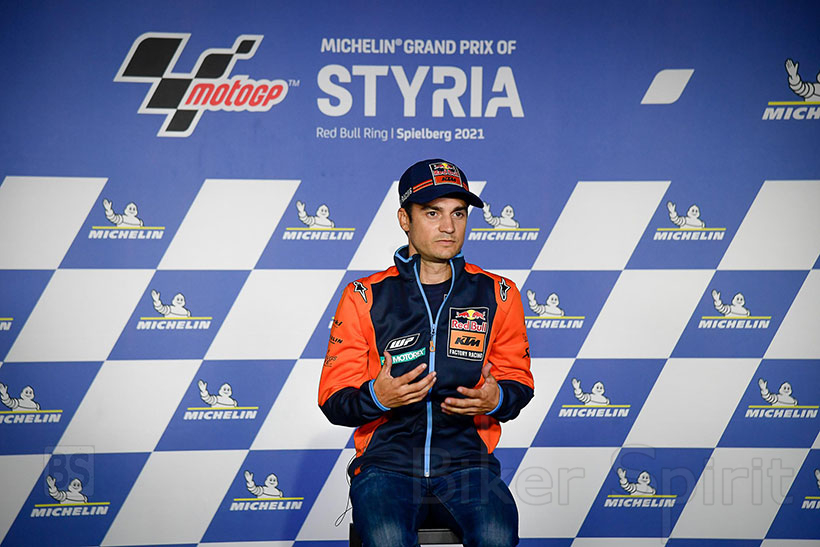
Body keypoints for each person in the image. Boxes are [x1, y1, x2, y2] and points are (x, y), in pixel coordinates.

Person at [318, 159, 534, 546]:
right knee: (386, 538)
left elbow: (518, 381)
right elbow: (334, 399)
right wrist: (377, 397)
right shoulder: (364, 296)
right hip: (386, 465)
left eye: (458, 213)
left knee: (497, 535)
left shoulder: (499, 294)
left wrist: (497, 398)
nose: (448, 226)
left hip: (469, 465)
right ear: (405, 219)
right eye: (433, 213)